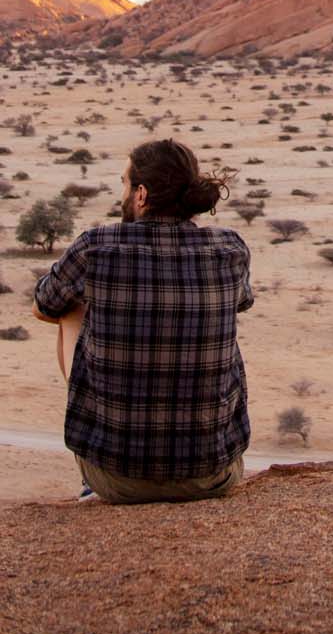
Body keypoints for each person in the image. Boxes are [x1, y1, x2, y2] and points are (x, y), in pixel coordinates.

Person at [33, 137, 253, 505]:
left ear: (141, 194)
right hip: (212, 476)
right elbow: (242, 301)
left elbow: (44, 304)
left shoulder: (95, 246)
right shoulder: (229, 248)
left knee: (70, 307)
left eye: (124, 183)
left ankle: (94, 478)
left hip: (114, 479)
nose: (122, 192)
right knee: (211, 319)